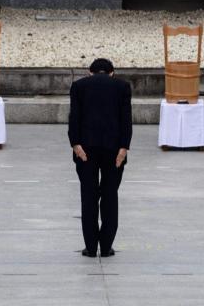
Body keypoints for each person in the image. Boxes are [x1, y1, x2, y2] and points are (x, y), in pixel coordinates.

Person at [68, 58, 132, 258]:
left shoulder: (79, 86)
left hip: (85, 149)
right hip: (114, 151)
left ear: (90, 72)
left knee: (89, 197)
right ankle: (105, 246)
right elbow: (126, 119)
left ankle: (90, 246)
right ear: (112, 72)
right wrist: (124, 147)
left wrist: (75, 144)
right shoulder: (122, 87)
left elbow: (74, 117)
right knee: (110, 196)